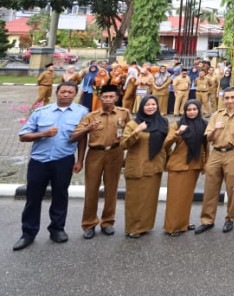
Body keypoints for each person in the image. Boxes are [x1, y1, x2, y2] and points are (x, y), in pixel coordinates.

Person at [14, 82, 88, 251]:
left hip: (64, 160)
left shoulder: (82, 113)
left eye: (70, 92)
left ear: (75, 94)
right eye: (63, 91)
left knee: (60, 195)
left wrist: (80, 160)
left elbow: (83, 138)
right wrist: (43, 134)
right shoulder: (42, 112)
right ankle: (28, 233)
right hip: (39, 162)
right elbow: (23, 136)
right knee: (33, 198)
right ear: (57, 92)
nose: (66, 95)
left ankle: (57, 229)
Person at [69, 83, 131, 239]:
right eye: (105, 97)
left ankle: (107, 222)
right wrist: (88, 128)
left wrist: (127, 156)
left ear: (116, 98)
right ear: (100, 98)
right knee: (91, 190)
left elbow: (130, 134)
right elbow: (74, 136)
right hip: (95, 154)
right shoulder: (91, 116)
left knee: (111, 190)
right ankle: (89, 223)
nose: (108, 99)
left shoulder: (124, 114)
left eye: (111, 97)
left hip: (115, 153)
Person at [195, 86, 234, 234]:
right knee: (210, 188)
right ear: (222, 99)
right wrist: (215, 130)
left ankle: (230, 218)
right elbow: (208, 138)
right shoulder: (216, 116)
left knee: (232, 188)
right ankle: (207, 220)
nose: (230, 100)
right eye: (227, 98)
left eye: (233, 97)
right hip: (216, 153)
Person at [121, 95, 176, 238]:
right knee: (135, 199)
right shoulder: (133, 124)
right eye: (147, 105)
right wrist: (137, 131)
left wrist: (169, 161)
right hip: (137, 166)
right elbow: (123, 144)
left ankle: (145, 226)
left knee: (150, 199)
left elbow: (166, 144)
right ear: (142, 107)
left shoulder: (163, 122)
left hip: (155, 165)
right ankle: (133, 227)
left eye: (153, 104)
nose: (151, 107)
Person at [162, 100, 207, 236]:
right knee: (175, 198)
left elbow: (205, 147)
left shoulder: (203, 124)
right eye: (189, 110)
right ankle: (172, 227)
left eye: (194, 109)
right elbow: (165, 144)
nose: (192, 112)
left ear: (199, 110)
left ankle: (183, 223)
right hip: (178, 166)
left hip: (195, 165)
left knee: (187, 197)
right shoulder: (178, 124)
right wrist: (177, 133)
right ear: (185, 111)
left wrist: (204, 164)